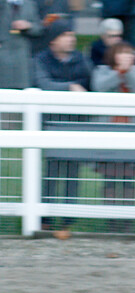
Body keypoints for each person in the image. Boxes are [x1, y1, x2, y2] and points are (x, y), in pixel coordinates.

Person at [33, 17, 91, 230]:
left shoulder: (81, 59)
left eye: (71, 35)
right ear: (53, 40)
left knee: (72, 172)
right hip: (50, 124)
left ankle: (68, 218)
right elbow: (42, 83)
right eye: (65, 35)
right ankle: (44, 217)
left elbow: (89, 83)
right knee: (51, 171)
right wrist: (70, 87)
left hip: (76, 124)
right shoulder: (40, 59)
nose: (71, 39)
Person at [91, 41, 135, 232]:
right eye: (122, 53)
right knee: (110, 177)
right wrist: (119, 72)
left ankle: (127, 219)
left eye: (129, 53)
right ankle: (111, 219)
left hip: (132, 131)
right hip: (108, 131)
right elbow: (99, 87)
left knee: (128, 178)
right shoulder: (102, 70)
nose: (126, 56)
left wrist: (128, 70)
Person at [0, 0, 42, 89]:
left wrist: (28, 26)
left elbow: (39, 29)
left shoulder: (30, 4)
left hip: (21, 54)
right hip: (2, 50)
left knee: (20, 88)